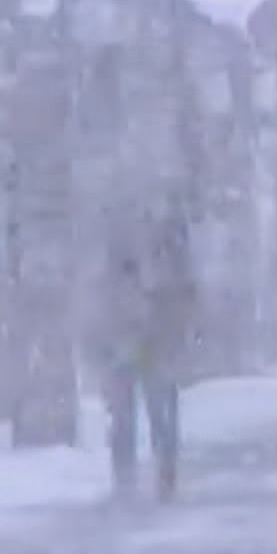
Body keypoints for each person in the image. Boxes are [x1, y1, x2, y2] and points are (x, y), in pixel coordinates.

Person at [88, 194, 199, 502]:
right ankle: (137, 475)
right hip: (131, 336)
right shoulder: (129, 242)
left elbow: (185, 293)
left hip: (148, 338)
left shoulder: (167, 240)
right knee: (137, 408)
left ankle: (154, 474)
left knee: (152, 406)